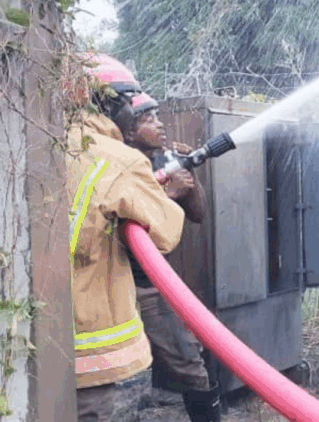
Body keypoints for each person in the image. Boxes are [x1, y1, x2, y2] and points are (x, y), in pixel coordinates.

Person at [67, 53, 186, 422]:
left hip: (38, 338)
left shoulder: (43, 141)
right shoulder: (119, 160)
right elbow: (167, 231)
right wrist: (167, 194)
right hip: (93, 345)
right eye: (130, 103)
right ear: (111, 104)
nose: (134, 113)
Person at [122, 91, 219, 422]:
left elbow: (199, 214)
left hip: (154, 285)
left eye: (158, 116)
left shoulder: (164, 161)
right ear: (128, 131)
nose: (160, 124)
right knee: (125, 374)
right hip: (124, 284)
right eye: (148, 120)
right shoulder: (123, 169)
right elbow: (132, 222)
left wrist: (188, 174)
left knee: (191, 364)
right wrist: (170, 192)